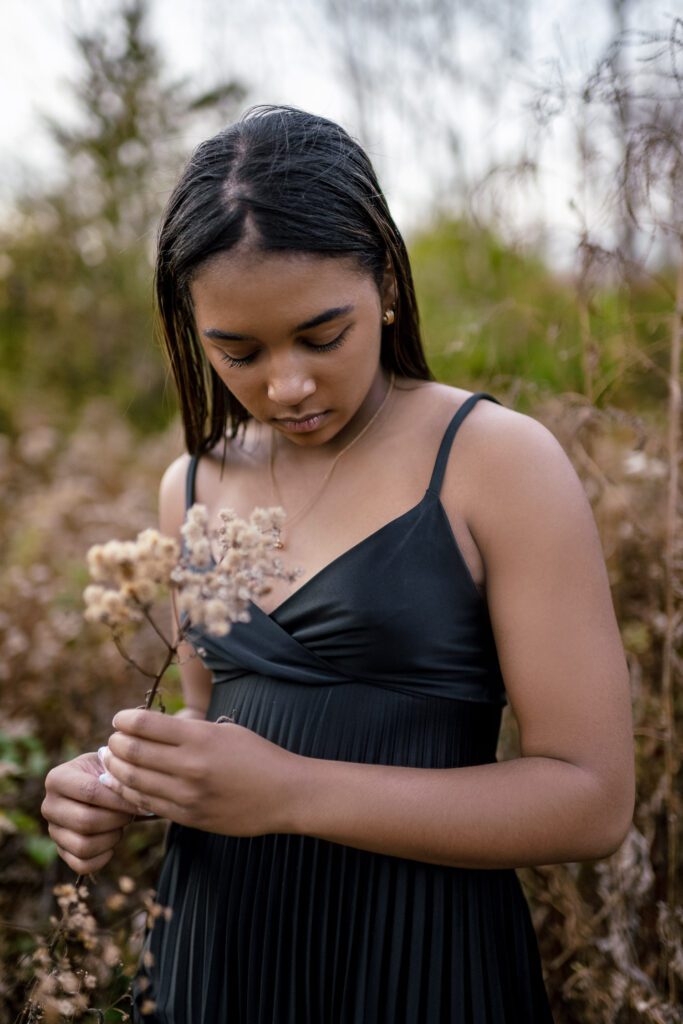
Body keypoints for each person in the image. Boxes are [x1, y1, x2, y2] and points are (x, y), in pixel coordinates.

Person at [41, 104, 635, 1023]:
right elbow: (215, 730)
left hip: (417, 957)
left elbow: (590, 803)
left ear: (387, 285)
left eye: (322, 336)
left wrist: (293, 793)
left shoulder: (495, 462)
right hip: (220, 953)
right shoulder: (191, 487)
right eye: (236, 351)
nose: (286, 385)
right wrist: (120, 788)